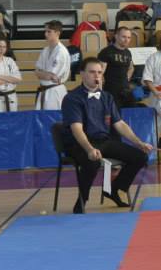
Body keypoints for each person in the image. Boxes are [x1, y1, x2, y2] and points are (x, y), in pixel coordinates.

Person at [61, 57, 153, 214]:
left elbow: (120, 124)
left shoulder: (107, 97)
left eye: (99, 72)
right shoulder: (72, 98)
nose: (96, 76)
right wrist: (89, 149)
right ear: (82, 74)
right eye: (92, 72)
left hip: (104, 141)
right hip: (79, 143)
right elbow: (77, 129)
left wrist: (139, 143)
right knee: (92, 162)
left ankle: (113, 189)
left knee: (140, 157)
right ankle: (82, 201)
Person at [34, 20, 71, 110]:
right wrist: (43, 74)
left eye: (49, 32)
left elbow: (49, 76)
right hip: (44, 90)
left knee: (54, 117)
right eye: (45, 31)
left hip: (55, 92)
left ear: (57, 33)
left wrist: (42, 73)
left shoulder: (61, 52)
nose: (45, 34)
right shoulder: (45, 50)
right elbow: (37, 72)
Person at [97, 26, 136, 107]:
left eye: (129, 37)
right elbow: (99, 74)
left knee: (132, 111)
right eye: (124, 37)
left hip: (125, 90)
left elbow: (131, 68)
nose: (126, 40)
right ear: (116, 36)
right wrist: (100, 93)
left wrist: (126, 79)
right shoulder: (106, 52)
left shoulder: (128, 52)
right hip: (111, 90)